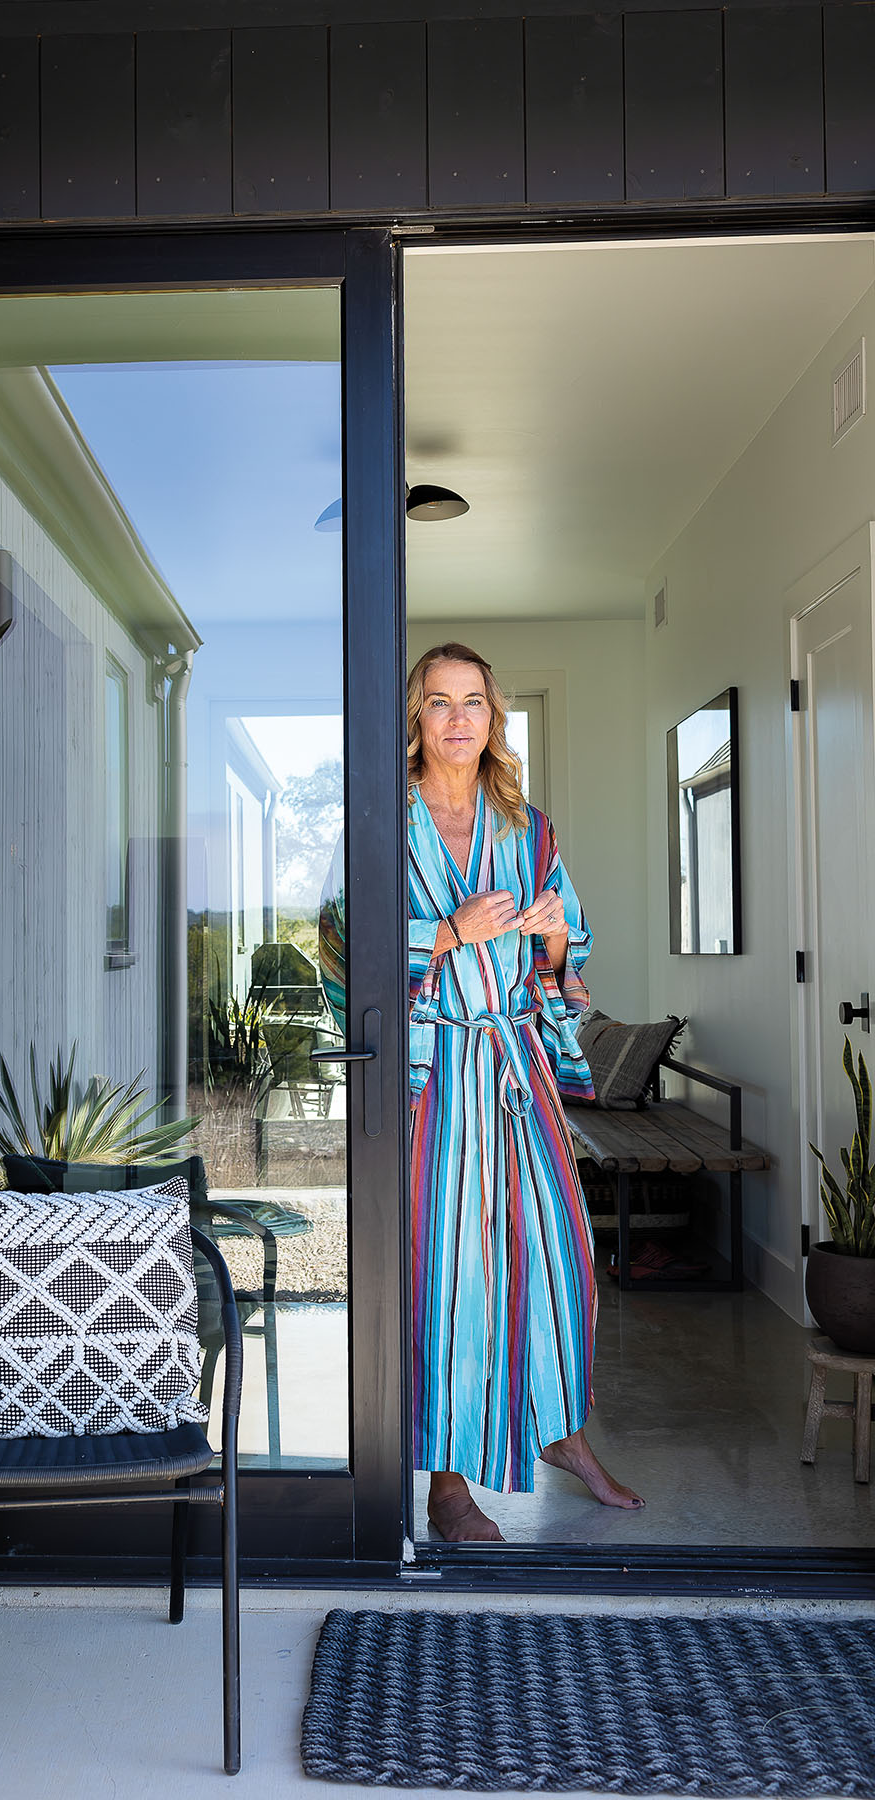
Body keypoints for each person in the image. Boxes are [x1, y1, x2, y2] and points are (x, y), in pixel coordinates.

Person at [320, 643, 642, 1542]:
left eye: (474, 702)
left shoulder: (528, 829)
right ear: (415, 719)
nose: (459, 719)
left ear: (494, 718)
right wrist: (448, 933)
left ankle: (561, 1434)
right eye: (438, 702)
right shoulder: (384, 825)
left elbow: (564, 956)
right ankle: (449, 1483)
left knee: (560, 1259)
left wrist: (545, 941)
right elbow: (342, 956)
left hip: (514, 1070)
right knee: (450, 1277)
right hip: (436, 1080)